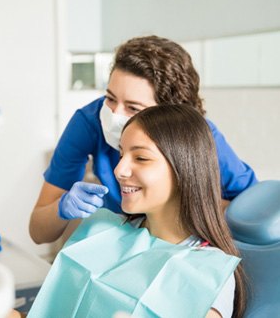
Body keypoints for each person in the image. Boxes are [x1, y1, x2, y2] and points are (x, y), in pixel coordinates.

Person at [29, 35, 257, 245]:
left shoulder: (199, 138)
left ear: (171, 118)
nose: (114, 114)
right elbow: (39, 232)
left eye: (133, 107)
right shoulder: (90, 122)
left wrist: (194, 206)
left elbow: (254, 215)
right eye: (110, 98)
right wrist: (62, 207)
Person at [26, 105, 246, 318]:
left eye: (141, 158)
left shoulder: (209, 271)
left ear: (184, 170)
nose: (119, 170)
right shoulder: (101, 230)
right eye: (121, 155)